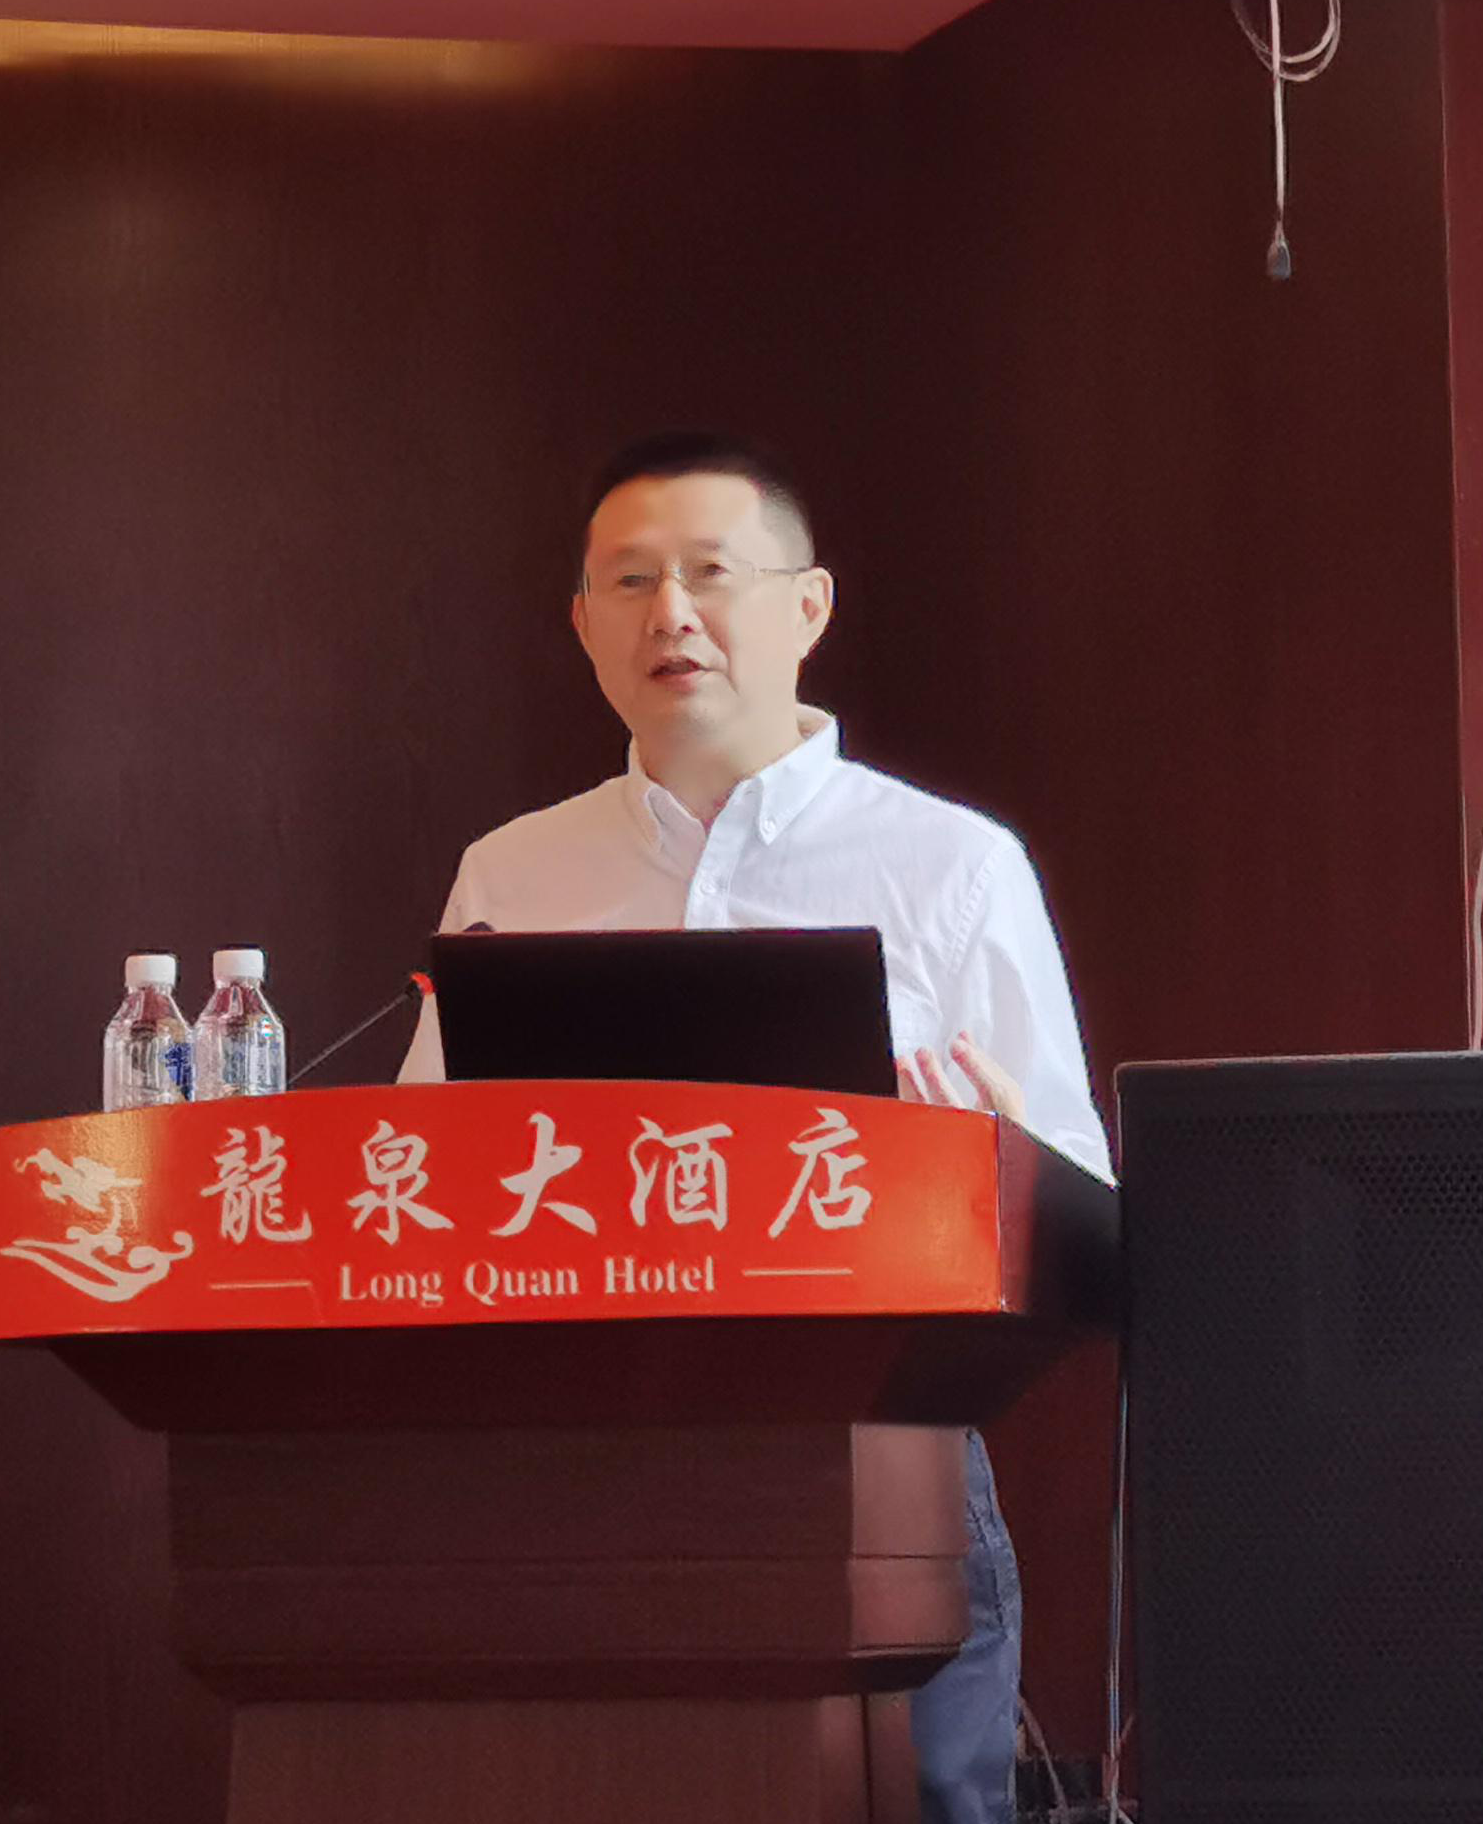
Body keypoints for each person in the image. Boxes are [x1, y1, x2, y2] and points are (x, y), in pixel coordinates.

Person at [400, 430, 1112, 1824]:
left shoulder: (952, 867)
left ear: (808, 607)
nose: (670, 614)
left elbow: (1085, 1205)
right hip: (572, 1469)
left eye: (711, 574)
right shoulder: (513, 872)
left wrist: (1001, 1157)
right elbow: (422, 1170)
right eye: (630, 582)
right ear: (583, 625)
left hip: (882, 1458)